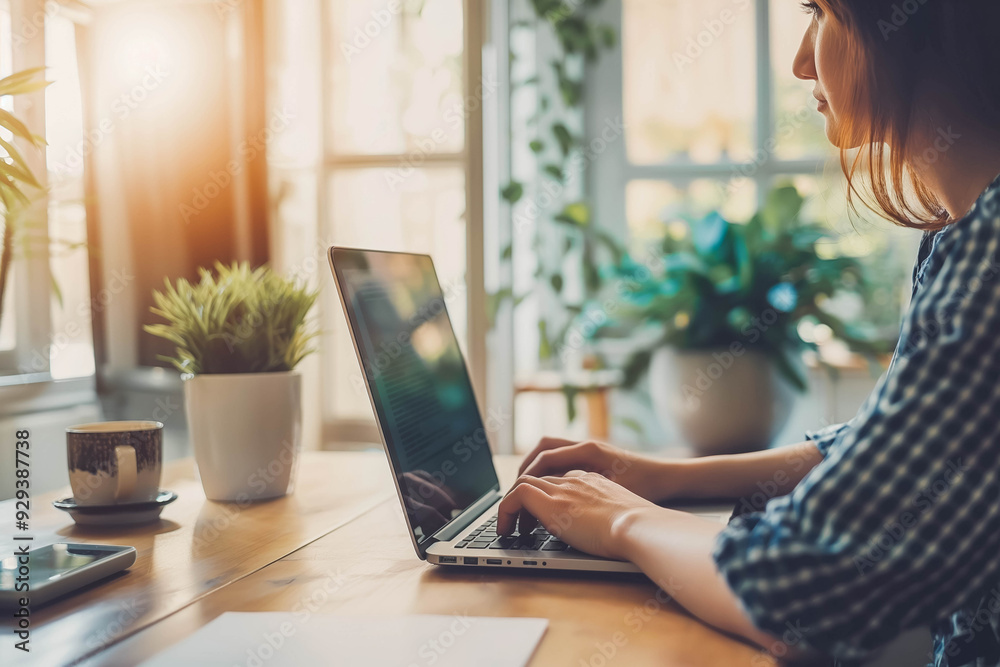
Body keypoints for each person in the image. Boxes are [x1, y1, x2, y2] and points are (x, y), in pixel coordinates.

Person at [497, 1, 1000, 664]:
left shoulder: (988, 260)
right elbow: (895, 452)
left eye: (819, 13)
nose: (799, 60)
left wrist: (618, 519)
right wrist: (657, 477)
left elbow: (801, 591)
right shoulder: (960, 239)